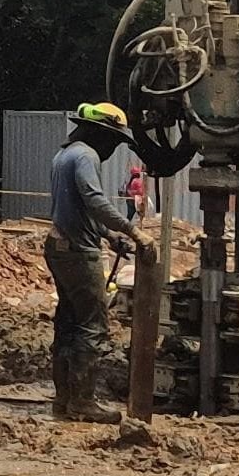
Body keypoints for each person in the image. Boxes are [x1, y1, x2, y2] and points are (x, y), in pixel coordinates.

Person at [46, 101, 144, 420]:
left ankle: (63, 398)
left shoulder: (64, 155)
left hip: (58, 246)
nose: (112, 149)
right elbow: (95, 201)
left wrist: (109, 235)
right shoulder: (86, 156)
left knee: (68, 322)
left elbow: (76, 208)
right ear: (99, 134)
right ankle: (83, 402)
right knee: (93, 325)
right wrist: (132, 230)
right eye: (113, 141)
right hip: (78, 252)